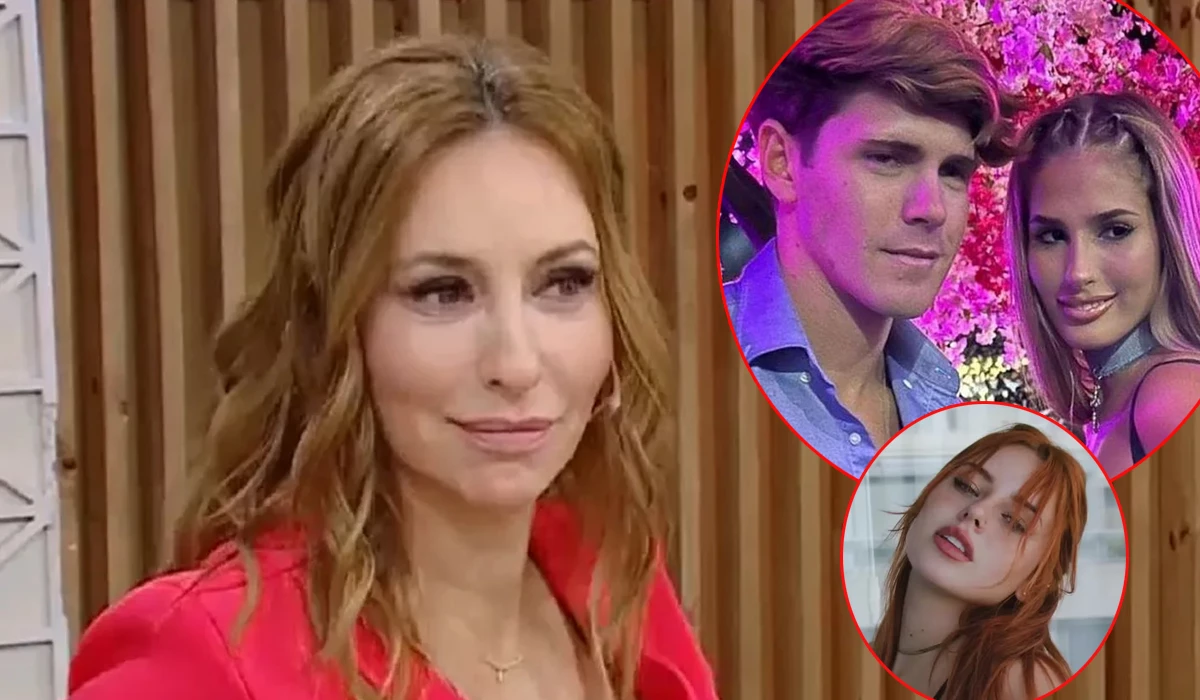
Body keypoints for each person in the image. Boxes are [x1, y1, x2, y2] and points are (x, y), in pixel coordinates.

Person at [65, 35, 715, 700]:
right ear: (332, 324)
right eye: (443, 292)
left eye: (564, 282)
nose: (517, 365)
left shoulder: (614, 578)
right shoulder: (205, 654)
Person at [722, 0, 1021, 479]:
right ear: (781, 163)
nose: (932, 209)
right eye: (888, 159)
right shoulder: (683, 376)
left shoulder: (945, 415)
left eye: (953, 171)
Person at [1005, 91, 1200, 478]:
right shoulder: (1116, 398)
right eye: (1052, 236)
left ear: (1168, 236)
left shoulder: (1172, 397)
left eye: (1115, 230)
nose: (1078, 272)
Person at [870, 423, 1088, 700]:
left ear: (1035, 581)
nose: (976, 510)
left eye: (1014, 520)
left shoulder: (1024, 682)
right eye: (967, 486)